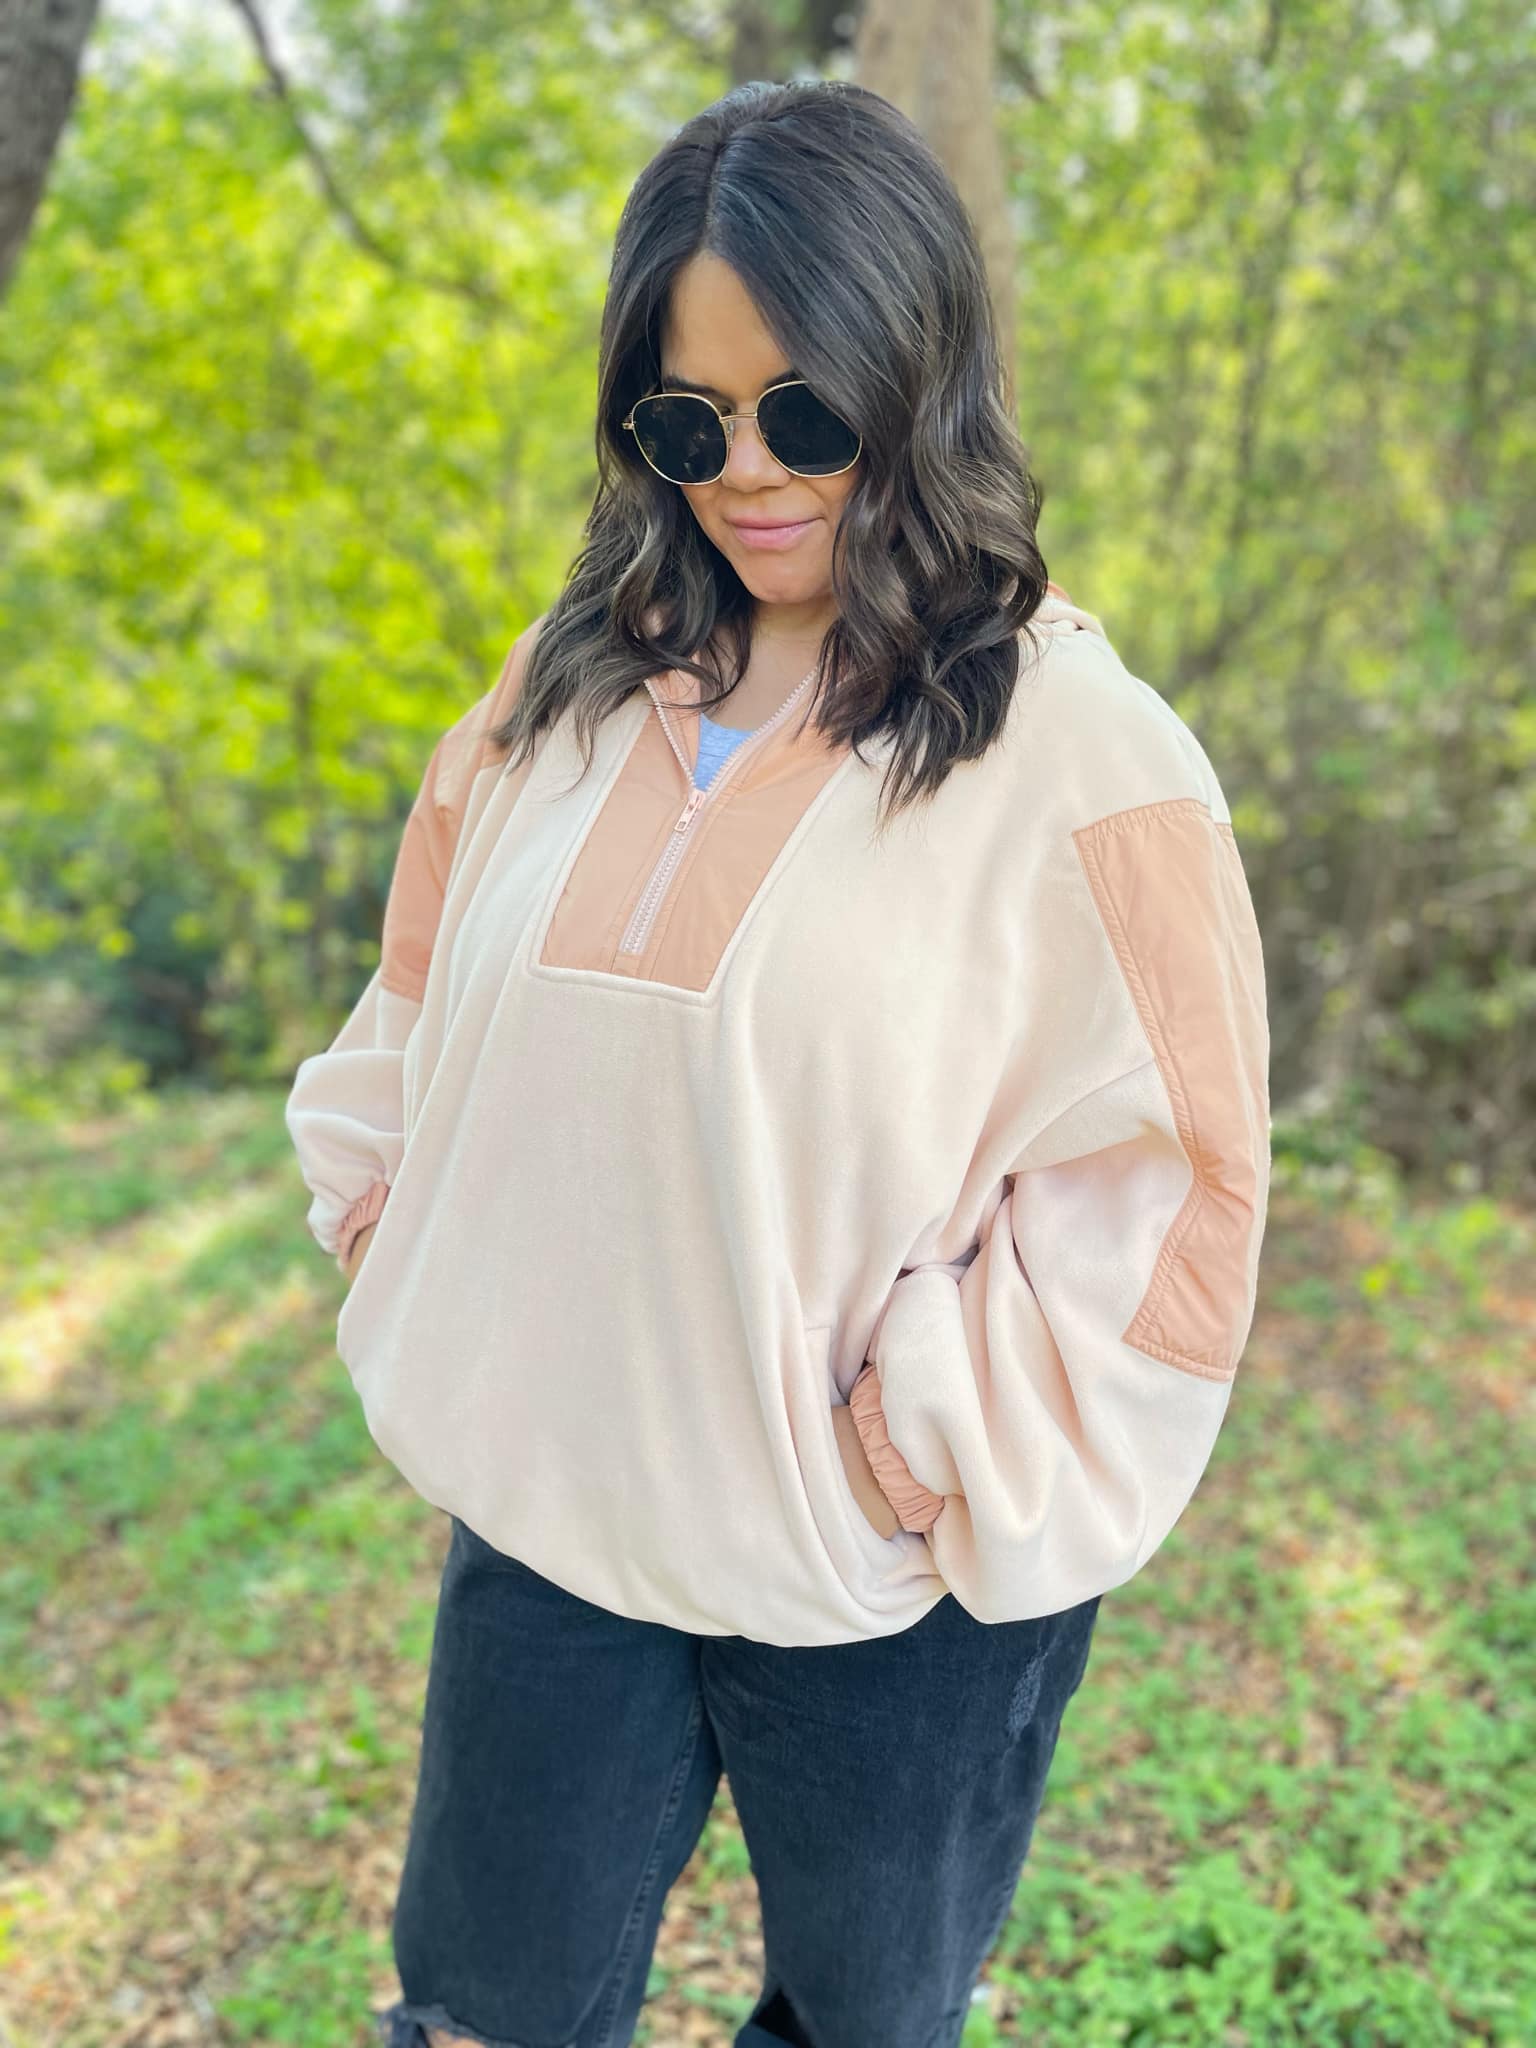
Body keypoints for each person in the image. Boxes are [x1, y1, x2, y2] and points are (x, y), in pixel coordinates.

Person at [284, 77, 1271, 2048]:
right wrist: (399, 1223)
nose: (745, 473)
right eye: (687, 420)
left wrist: (923, 1448)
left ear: (918, 379)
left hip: (885, 1582)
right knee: (480, 2010)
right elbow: (416, 991)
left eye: (802, 414)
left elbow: (1178, 1184)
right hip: (554, 1525)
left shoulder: (1088, 753)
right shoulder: (564, 683)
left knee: (863, 2023)